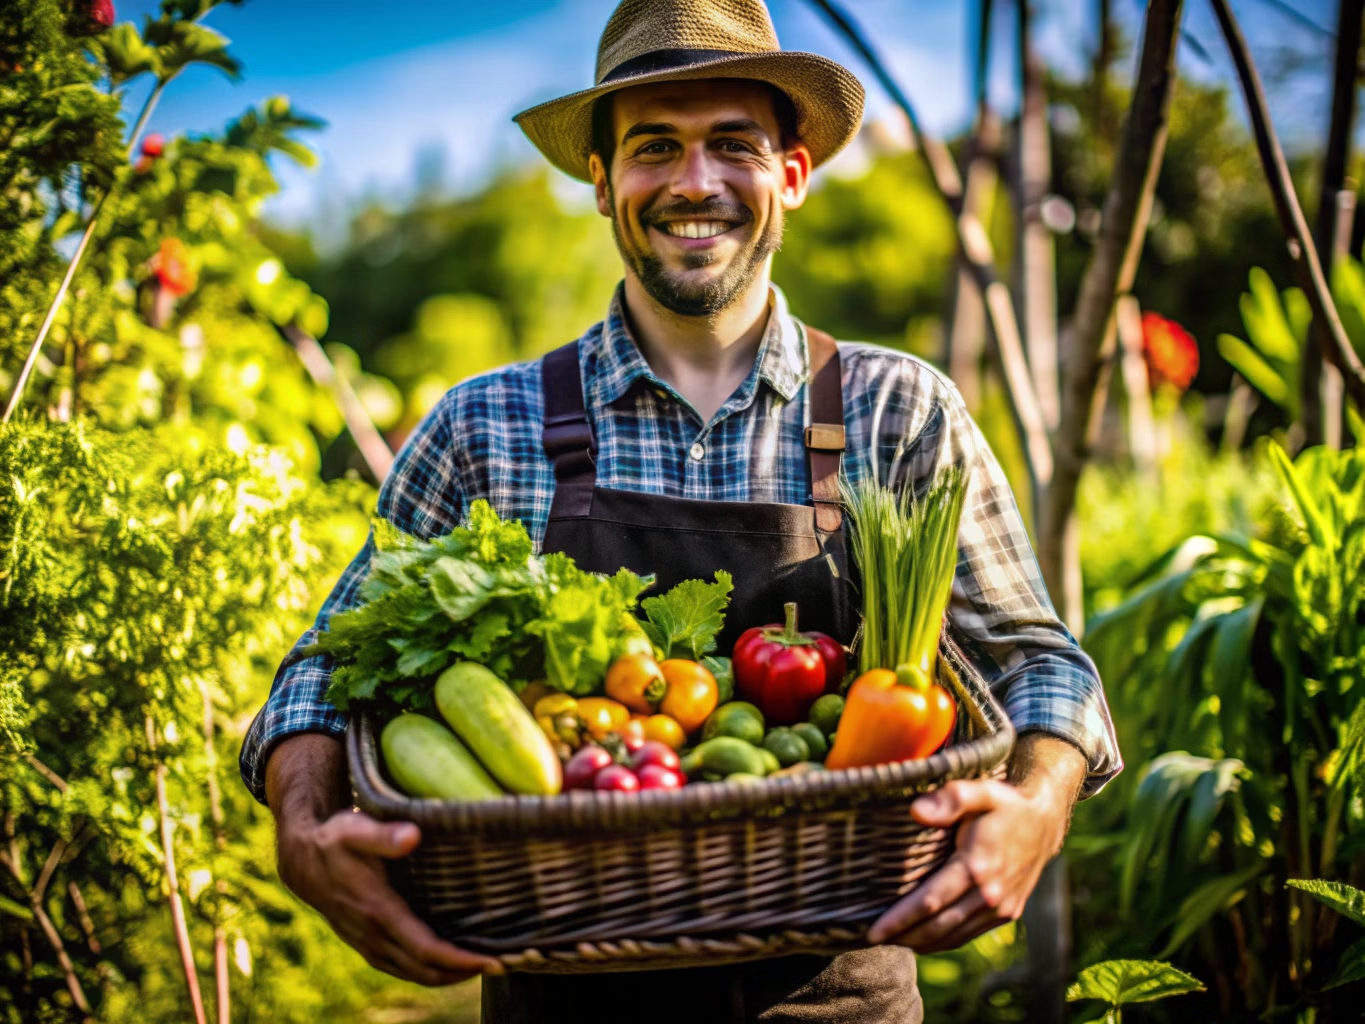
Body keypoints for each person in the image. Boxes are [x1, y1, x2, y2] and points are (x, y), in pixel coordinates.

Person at [239, 1, 1122, 1020]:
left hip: (842, 994)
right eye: (655, 146)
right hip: (559, 991)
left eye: (732, 145)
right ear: (602, 179)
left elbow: (1037, 658)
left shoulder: (895, 409)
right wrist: (303, 824)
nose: (694, 182)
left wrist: (1035, 805)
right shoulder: (484, 427)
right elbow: (326, 663)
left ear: (791, 174)